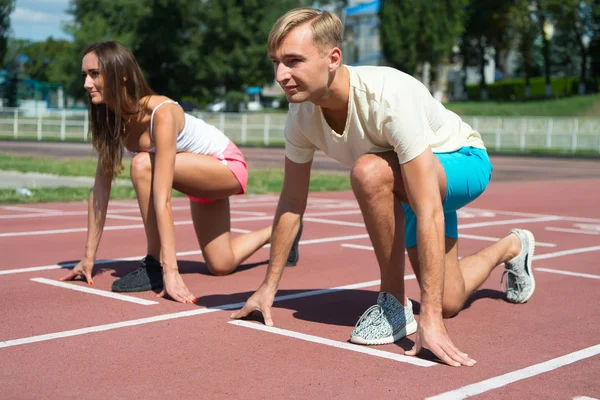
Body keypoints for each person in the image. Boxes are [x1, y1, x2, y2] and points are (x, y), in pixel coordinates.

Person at [231, 8, 536, 367]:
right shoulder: (301, 116)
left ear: (333, 59)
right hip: (403, 178)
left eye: (293, 61)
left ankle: (394, 303)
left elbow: (427, 208)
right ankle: (513, 246)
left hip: (459, 160)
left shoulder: (387, 95)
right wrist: (269, 288)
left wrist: (430, 323)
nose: (281, 74)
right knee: (450, 298)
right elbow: (292, 203)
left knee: (369, 171)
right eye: (276, 62)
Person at [61, 41, 302, 304]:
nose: (86, 83)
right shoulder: (112, 121)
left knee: (143, 164)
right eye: (84, 75)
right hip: (194, 177)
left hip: (226, 168)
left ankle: (154, 264)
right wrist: (88, 258)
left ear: (121, 76)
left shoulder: (161, 113)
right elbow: (100, 190)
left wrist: (170, 270)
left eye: (94, 74)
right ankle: (283, 232)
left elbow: (162, 197)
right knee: (221, 264)